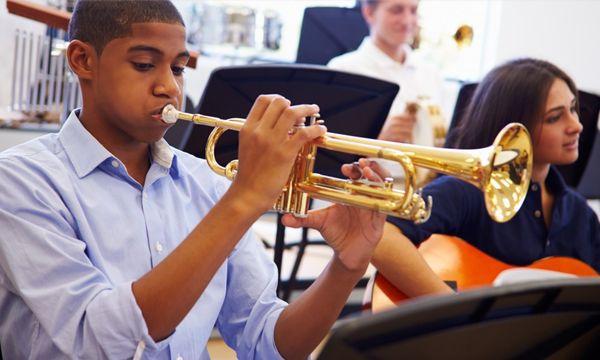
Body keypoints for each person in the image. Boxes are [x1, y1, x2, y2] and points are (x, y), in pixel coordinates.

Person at [0, 1, 386, 358]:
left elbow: (271, 342)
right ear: (83, 60)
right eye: (144, 65)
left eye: (179, 68)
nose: (169, 87)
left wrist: (346, 267)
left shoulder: (206, 182)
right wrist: (244, 199)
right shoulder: (23, 180)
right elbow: (99, 343)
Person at [350, 58, 600, 297]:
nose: (576, 125)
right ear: (514, 126)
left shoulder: (580, 214)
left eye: (573, 109)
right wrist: (449, 303)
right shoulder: (464, 192)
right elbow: (382, 236)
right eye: (555, 118)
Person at [328, 0, 444, 146]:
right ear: (369, 13)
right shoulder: (343, 69)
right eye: (396, 10)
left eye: (413, 11)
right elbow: (333, 154)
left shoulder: (431, 73)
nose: (407, 20)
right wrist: (380, 139)